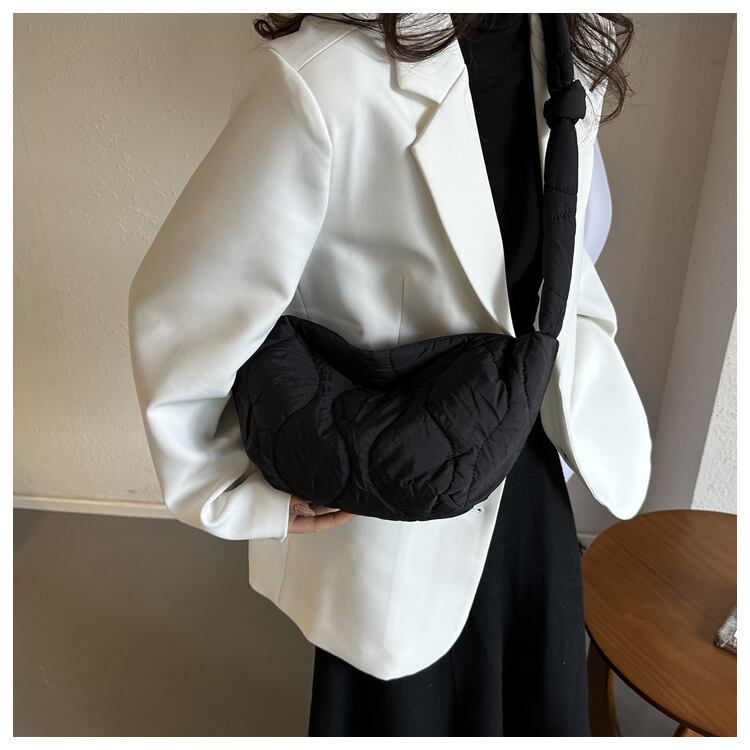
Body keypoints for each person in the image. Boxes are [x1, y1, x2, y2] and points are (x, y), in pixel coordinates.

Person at [127, 12, 651, 737]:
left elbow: (562, 257)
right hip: (393, 502)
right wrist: (237, 486)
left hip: (529, 480)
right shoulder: (323, 78)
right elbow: (188, 306)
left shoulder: (570, 45)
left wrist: (584, 393)